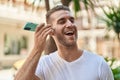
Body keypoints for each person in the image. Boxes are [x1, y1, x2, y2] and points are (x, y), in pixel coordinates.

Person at [14, 5, 114, 80]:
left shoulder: (99, 64)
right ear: (50, 30)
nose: (70, 24)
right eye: (62, 21)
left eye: (72, 20)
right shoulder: (44, 65)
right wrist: (37, 48)